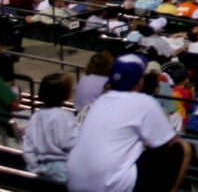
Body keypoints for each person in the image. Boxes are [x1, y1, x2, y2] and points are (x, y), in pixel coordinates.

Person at [67, 58, 188, 192]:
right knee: (183, 148)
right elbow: (170, 142)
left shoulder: (101, 101)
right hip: (109, 183)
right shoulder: (144, 101)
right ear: (139, 81)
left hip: (74, 179)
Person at [24, 72, 77, 183]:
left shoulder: (35, 117)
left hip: (39, 170)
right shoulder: (65, 117)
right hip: (62, 171)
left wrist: (34, 166)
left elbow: (28, 147)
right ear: (65, 95)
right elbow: (70, 143)